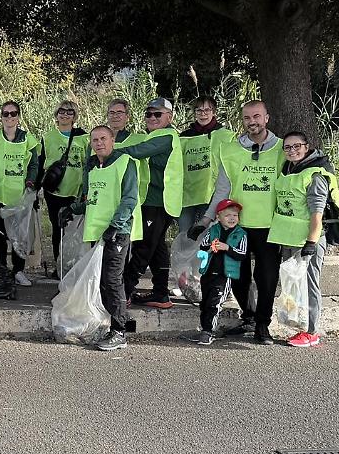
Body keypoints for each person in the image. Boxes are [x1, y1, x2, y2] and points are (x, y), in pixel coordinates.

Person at [188, 100, 282, 344]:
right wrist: (206, 220)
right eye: (247, 118)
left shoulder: (282, 149)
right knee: (237, 274)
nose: (253, 122)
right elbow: (222, 189)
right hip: (235, 226)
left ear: (267, 117)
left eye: (257, 116)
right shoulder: (230, 151)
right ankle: (249, 316)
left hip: (269, 225)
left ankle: (263, 324)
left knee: (267, 277)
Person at [267, 131, 339, 348]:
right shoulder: (287, 168)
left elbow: (317, 213)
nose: (292, 150)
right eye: (288, 147)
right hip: (287, 236)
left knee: (309, 283)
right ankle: (299, 325)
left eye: (297, 146)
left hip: (307, 239)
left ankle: (312, 331)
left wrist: (311, 243)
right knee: (294, 283)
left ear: (306, 147)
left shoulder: (315, 174)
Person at [65, 125, 141, 352]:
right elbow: (90, 198)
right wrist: (73, 209)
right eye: (95, 140)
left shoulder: (125, 163)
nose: (99, 143)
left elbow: (129, 199)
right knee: (100, 281)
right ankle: (111, 324)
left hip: (116, 232)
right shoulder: (92, 166)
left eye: (103, 139)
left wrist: (116, 225)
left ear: (112, 140)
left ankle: (120, 332)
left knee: (112, 279)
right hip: (95, 231)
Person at [116, 97, 184, 308]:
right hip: (155, 200)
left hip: (158, 201)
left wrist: (107, 153)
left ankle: (124, 291)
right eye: (148, 114)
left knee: (143, 247)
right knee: (157, 249)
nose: (152, 118)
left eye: (158, 114)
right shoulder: (155, 135)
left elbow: (137, 151)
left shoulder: (166, 135)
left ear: (169, 117)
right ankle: (161, 293)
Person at [0, 100, 40, 285]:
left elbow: (34, 165)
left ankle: (19, 270)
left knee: (19, 236)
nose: (9, 117)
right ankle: (1, 269)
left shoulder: (28, 139)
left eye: (13, 113)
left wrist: (31, 182)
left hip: (19, 196)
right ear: (1, 117)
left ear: (18, 117)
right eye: (5, 114)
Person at [39, 101, 88, 272]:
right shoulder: (48, 137)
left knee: (74, 231)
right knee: (57, 228)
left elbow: (88, 164)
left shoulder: (83, 137)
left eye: (70, 112)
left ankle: (73, 264)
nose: (65, 114)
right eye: (61, 111)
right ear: (56, 114)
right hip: (54, 191)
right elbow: (41, 164)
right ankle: (59, 265)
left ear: (75, 116)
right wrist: (36, 187)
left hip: (75, 192)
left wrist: (86, 190)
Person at [193, 199, 248, 346]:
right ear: (218, 217)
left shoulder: (241, 234)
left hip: (225, 275)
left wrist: (227, 247)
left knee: (214, 303)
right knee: (204, 302)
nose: (232, 219)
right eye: (228, 215)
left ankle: (208, 331)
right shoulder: (212, 230)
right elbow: (202, 247)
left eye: (235, 216)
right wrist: (210, 247)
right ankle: (204, 327)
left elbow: (242, 254)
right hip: (208, 272)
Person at [178, 96, 234, 233]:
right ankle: (185, 255)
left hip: (212, 193)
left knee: (208, 234)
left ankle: (206, 255)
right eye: (199, 110)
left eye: (207, 110)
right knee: (185, 233)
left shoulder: (226, 135)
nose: (203, 114)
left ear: (214, 112)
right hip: (187, 193)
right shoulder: (184, 136)